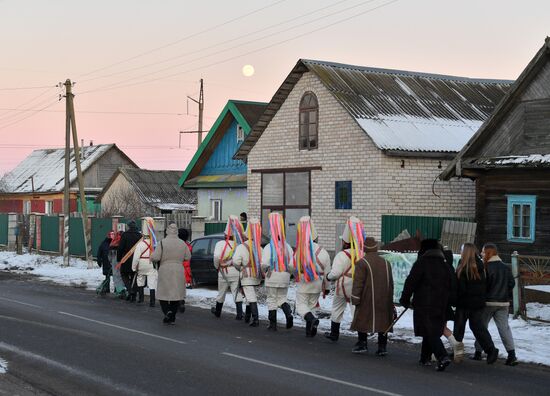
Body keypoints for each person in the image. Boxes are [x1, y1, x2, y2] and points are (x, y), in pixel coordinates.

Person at [399, 239, 454, 372]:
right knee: (430, 329)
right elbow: (452, 285)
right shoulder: (445, 265)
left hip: (424, 303)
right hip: (441, 303)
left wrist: (405, 299)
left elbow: (410, 282)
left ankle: (442, 356)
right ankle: (425, 357)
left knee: (430, 331)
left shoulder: (422, 263)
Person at [472, 243, 518, 366]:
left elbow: (483, 285)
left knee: (481, 327)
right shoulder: (505, 267)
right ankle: (512, 355)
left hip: (488, 302)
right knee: (504, 328)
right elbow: (512, 283)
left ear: (488, 253)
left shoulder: (485, 267)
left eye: (482, 252)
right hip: (503, 303)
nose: (481, 254)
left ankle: (478, 352)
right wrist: (504, 293)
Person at [453, 243, 499, 364]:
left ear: (465, 252)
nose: (460, 252)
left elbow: (460, 288)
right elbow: (486, 284)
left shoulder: (462, 266)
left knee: (459, 328)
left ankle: (457, 351)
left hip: (464, 303)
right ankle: (491, 350)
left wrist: (454, 299)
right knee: (478, 328)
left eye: (462, 250)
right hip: (477, 303)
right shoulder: (481, 265)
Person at [350, 237, 394, 356]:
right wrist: (391, 300)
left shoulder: (362, 263)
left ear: (364, 248)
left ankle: (362, 343)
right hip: (384, 298)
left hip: (367, 297)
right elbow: (391, 283)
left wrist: (355, 297)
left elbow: (358, 283)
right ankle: (382, 347)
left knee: (362, 318)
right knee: (383, 321)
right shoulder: (386, 263)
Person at [325, 216, 365, 342]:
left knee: (337, 309)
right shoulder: (362, 253)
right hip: (357, 287)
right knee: (356, 312)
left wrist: (328, 277)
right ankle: (362, 339)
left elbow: (335, 273)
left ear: (345, 242)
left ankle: (334, 334)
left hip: (343, 287)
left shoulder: (341, 255)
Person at [293, 216, 331, 337]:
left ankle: (311, 320)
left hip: (304, 281)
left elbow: (290, 266)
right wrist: (327, 287)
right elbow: (328, 272)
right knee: (312, 305)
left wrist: (295, 273)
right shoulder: (323, 251)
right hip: (318, 282)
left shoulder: (300, 250)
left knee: (301, 305)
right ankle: (310, 331)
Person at [151, 222, 191, 324]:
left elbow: (155, 257)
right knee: (176, 295)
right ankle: (172, 316)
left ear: (167, 231)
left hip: (165, 269)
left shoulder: (162, 243)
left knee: (163, 294)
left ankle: (167, 311)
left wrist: (152, 256)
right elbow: (188, 257)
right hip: (178, 269)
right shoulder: (182, 243)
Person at [261, 212, 294, 331]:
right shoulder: (288, 247)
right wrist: (288, 273)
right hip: (284, 277)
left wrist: (265, 271)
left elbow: (264, 264)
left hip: (272, 276)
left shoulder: (268, 247)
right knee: (282, 298)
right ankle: (288, 314)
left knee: (271, 299)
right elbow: (292, 265)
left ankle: (273, 324)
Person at [211, 215, 245, 320]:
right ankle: (239, 313)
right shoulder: (238, 245)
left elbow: (216, 256)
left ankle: (218, 312)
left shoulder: (220, 243)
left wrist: (217, 266)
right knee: (236, 292)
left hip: (223, 272)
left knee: (221, 292)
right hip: (235, 271)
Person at [233, 217, 263, 327]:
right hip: (257, 275)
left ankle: (255, 319)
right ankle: (247, 317)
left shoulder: (241, 246)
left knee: (250, 296)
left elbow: (236, 261)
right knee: (249, 295)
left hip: (246, 275)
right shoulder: (259, 247)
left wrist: (240, 268)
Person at [131, 218, 159, 307]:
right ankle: (152, 301)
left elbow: (136, 258)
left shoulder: (140, 244)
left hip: (142, 263)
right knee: (152, 282)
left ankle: (141, 299)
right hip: (151, 263)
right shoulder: (154, 243)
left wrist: (133, 267)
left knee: (140, 279)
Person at [116, 220, 142, 302]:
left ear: (128, 226)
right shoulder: (140, 236)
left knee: (124, 274)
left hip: (126, 259)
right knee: (134, 276)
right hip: (136, 259)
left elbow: (120, 248)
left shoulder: (125, 235)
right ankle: (133, 294)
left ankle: (130, 290)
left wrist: (119, 259)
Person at [96, 231, 114, 295]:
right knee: (107, 277)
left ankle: (116, 290)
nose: (111, 236)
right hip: (106, 263)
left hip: (114, 263)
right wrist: (99, 261)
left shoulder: (116, 243)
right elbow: (99, 253)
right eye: (110, 235)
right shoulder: (104, 243)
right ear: (107, 235)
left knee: (116, 277)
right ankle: (107, 289)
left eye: (112, 234)